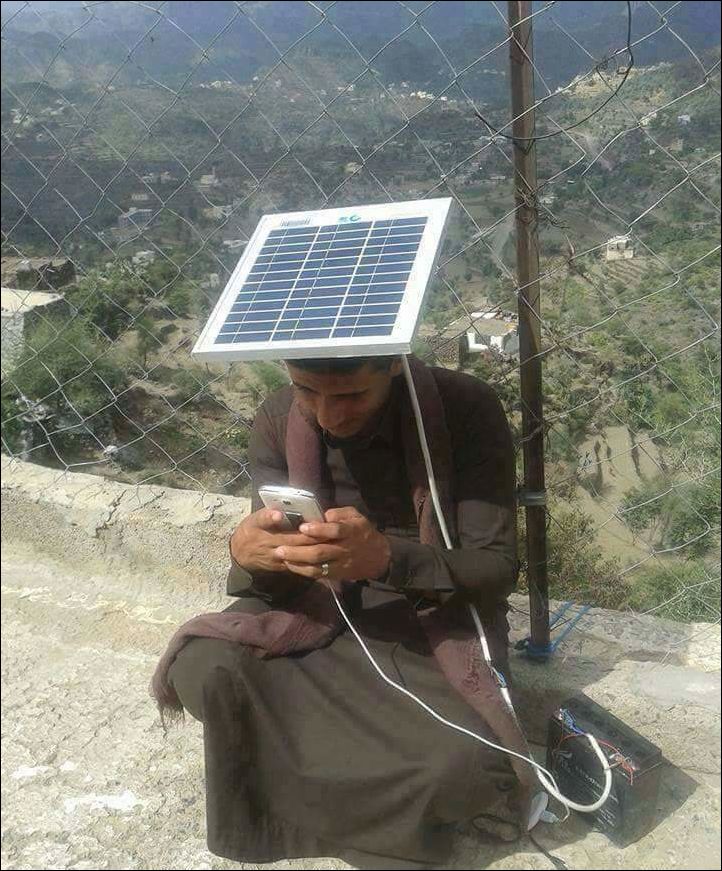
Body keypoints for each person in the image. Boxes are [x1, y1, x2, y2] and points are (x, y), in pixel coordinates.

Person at [165, 354, 525, 869]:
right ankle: (357, 791)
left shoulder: (463, 408)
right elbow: (275, 571)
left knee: (466, 765)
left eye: (352, 395)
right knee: (201, 667)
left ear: (392, 367)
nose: (328, 416)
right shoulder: (278, 416)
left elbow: (495, 568)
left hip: (425, 618)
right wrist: (249, 556)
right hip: (317, 605)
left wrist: (387, 558)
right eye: (307, 391)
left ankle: (298, 775)